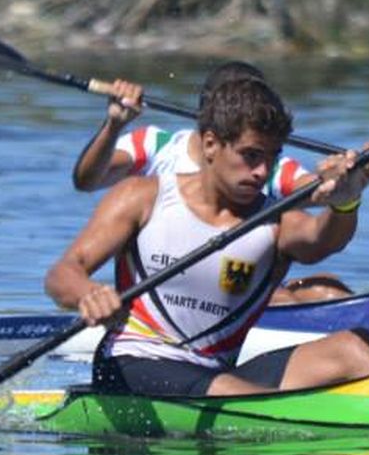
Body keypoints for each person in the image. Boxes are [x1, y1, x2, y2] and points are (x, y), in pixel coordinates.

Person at [45, 76, 369, 397]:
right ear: (210, 144)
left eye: (272, 158)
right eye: (251, 156)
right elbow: (63, 273)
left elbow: (323, 240)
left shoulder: (275, 220)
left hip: (216, 375)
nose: (261, 172)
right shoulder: (143, 196)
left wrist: (346, 202)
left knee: (355, 347)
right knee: (238, 394)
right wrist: (88, 294)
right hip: (133, 364)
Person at [71, 62, 354, 304]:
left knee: (329, 288)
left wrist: (347, 177)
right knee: (284, 299)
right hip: (168, 289)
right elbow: (87, 180)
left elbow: (320, 190)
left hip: (234, 286)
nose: (259, 170)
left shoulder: (267, 164)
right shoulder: (155, 144)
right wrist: (115, 126)